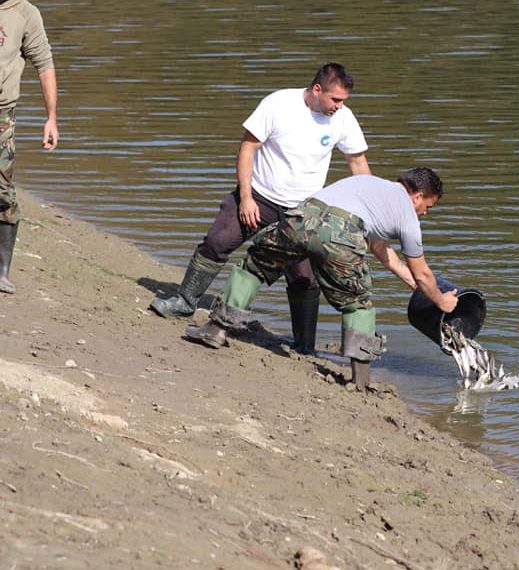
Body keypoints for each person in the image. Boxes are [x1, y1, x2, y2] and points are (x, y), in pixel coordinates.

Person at [150, 62, 370, 356]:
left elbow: (357, 162)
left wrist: (365, 211)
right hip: (260, 196)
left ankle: (304, 345)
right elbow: (247, 147)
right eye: (336, 99)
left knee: (304, 278)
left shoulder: (343, 118)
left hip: (305, 212)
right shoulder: (278, 104)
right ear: (317, 89)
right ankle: (185, 301)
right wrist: (246, 197)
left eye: (343, 101)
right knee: (217, 241)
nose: (339, 106)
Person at [183, 168, 459, 389]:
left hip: (301, 218)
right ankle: (360, 380)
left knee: (255, 266)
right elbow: (423, 271)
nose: (425, 213)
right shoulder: (407, 216)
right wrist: (440, 301)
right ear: (417, 196)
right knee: (357, 303)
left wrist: (414, 285)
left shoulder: (368, 183)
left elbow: (382, 251)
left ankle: (216, 330)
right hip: (341, 234)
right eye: (428, 206)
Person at [0, 0, 59, 294]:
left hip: (1, 116)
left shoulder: (24, 13)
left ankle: (2, 271)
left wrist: (51, 118)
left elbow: (44, 65)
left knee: (2, 190)